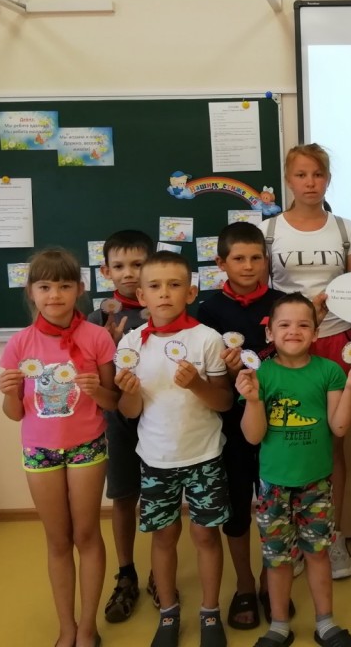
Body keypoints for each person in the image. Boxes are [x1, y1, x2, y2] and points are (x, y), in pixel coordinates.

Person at [0, 248, 118, 647]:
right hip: (39, 450)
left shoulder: (97, 337)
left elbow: (113, 402)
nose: (54, 295)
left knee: (86, 534)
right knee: (57, 539)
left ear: (79, 289)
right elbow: (14, 414)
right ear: (31, 291)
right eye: (45, 286)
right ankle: (66, 627)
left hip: (86, 446)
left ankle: (87, 627)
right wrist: (9, 392)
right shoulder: (19, 343)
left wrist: (96, 390)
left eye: (64, 286)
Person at [237, 293, 351, 647]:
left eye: (303, 324)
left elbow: (339, 427)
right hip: (273, 487)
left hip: (317, 484)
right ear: (269, 333)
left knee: (318, 553)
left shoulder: (329, 371)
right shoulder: (260, 374)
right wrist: (253, 399)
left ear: (316, 332)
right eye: (284, 324)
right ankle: (279, 626)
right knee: (277, 560)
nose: (293, 331)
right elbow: (253, 436)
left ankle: (326, 623)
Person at [114, 251, 233, 647]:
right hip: (156, 459)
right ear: (141, 296)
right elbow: (129, 412)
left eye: (174, 285)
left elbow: (224, 402)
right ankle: (168, 612)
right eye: (154, 286)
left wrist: (196, 384)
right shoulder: (131, 343)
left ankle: (210, 612)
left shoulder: (207, 339)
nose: (164, 293)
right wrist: (129, 393)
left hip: (204, 456)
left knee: (206, 537)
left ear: (191, 292)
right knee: (163, 537)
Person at [259, 143, 351, 580]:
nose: (310, 182)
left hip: (335, 342)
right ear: (288, 179)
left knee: (332, 442)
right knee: (286, 437)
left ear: (328, 179)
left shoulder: (346, 230)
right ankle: (292, 538)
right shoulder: (268, 231)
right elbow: (262, 296)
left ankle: (330, 535)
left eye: (318, 174)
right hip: (287, 346)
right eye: (301, 174)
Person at [197, 222, 287, 630]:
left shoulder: (281, 303)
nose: (248, 266)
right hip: (230, 424)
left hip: (278, 421)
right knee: (237, 508)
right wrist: (228, 370)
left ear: (266, 261)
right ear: (221, 263)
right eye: (239, 258)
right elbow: (207, 370)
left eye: (256, 258)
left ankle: (271, 582)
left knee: (274, 506)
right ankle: (245, 584)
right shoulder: (209, 310)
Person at [86, 228, 154, 623]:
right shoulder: (97, 320)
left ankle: (160, 574)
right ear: (106, 271)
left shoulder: (166, 305)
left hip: (162, 418)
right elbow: (94, 378)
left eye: (138, 264)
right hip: (117, 422)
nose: (129, 273)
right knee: (125, 496)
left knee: (160, 497)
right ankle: (126, 572)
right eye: (120, 266)